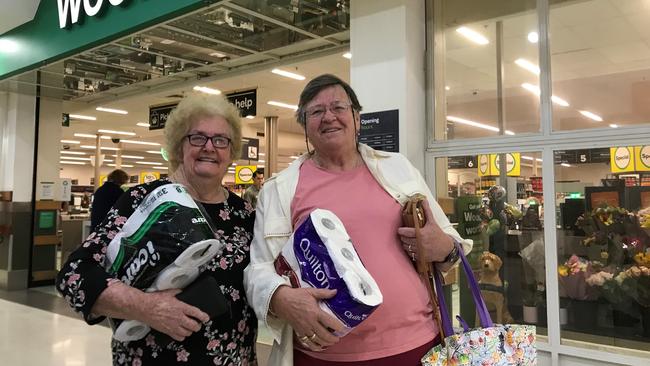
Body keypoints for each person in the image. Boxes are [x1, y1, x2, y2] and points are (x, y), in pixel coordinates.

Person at [244, 74, 472, 366]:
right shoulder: (279, 189)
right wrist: (280, 297)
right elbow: (258, 269)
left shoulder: (398, 168)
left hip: (417, 345)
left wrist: (443, 246)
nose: (329, 117)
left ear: (357, 118)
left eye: (338, 107)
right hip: (324, 355)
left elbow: (448, 242)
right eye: (316, 111)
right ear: (305, 127)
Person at [57, 93, 258, 366]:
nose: (210, 147)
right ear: (178, 146)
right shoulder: (145, 200)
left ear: (231, 151)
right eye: (197, 137)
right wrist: (148, 307)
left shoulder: (244, 214)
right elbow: (75, 275)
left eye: (220, 140)